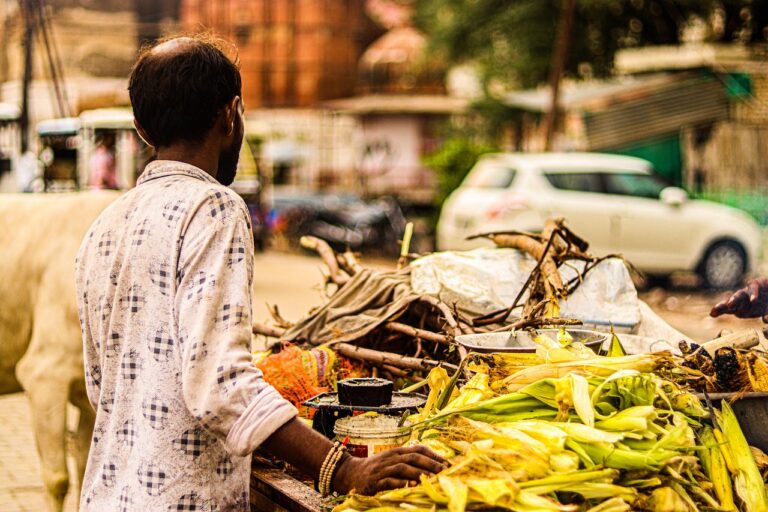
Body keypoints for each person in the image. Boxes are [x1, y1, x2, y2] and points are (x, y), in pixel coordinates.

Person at [74, 35, 445, 511]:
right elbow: (221, 384)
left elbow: (105, 384)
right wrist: (345, 468)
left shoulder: (106, 224)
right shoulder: (213, 207)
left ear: (141, 128)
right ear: (230, 114)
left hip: (108, 497)